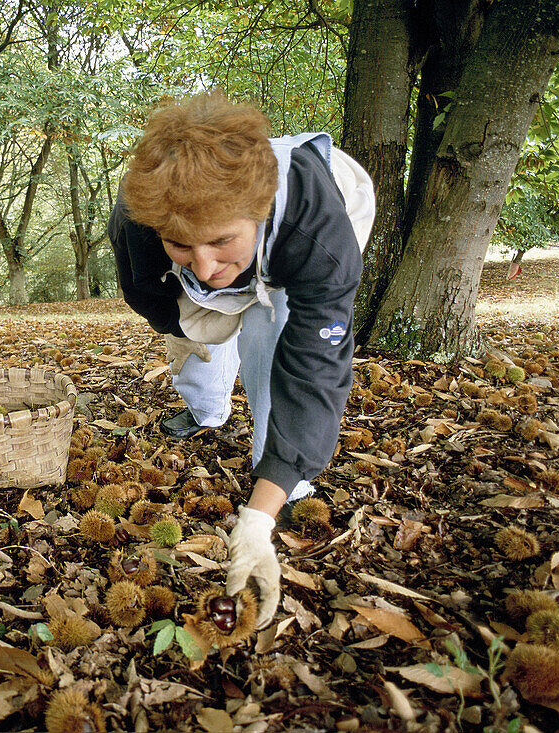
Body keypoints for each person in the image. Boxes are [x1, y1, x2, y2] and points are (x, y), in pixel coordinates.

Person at [108, 93, 375, 629]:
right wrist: (189, 322)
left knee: (271, 336)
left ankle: (283, 479)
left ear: (253, 213)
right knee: (202, 342)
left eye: (220, 241)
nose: (204, 265)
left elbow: (315, 368)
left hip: (304, 239)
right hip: (237, 258)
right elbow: (147, 293)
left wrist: (256, 520)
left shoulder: (319, 237)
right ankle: (208, 409)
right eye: (181, 245)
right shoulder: (140, 218)